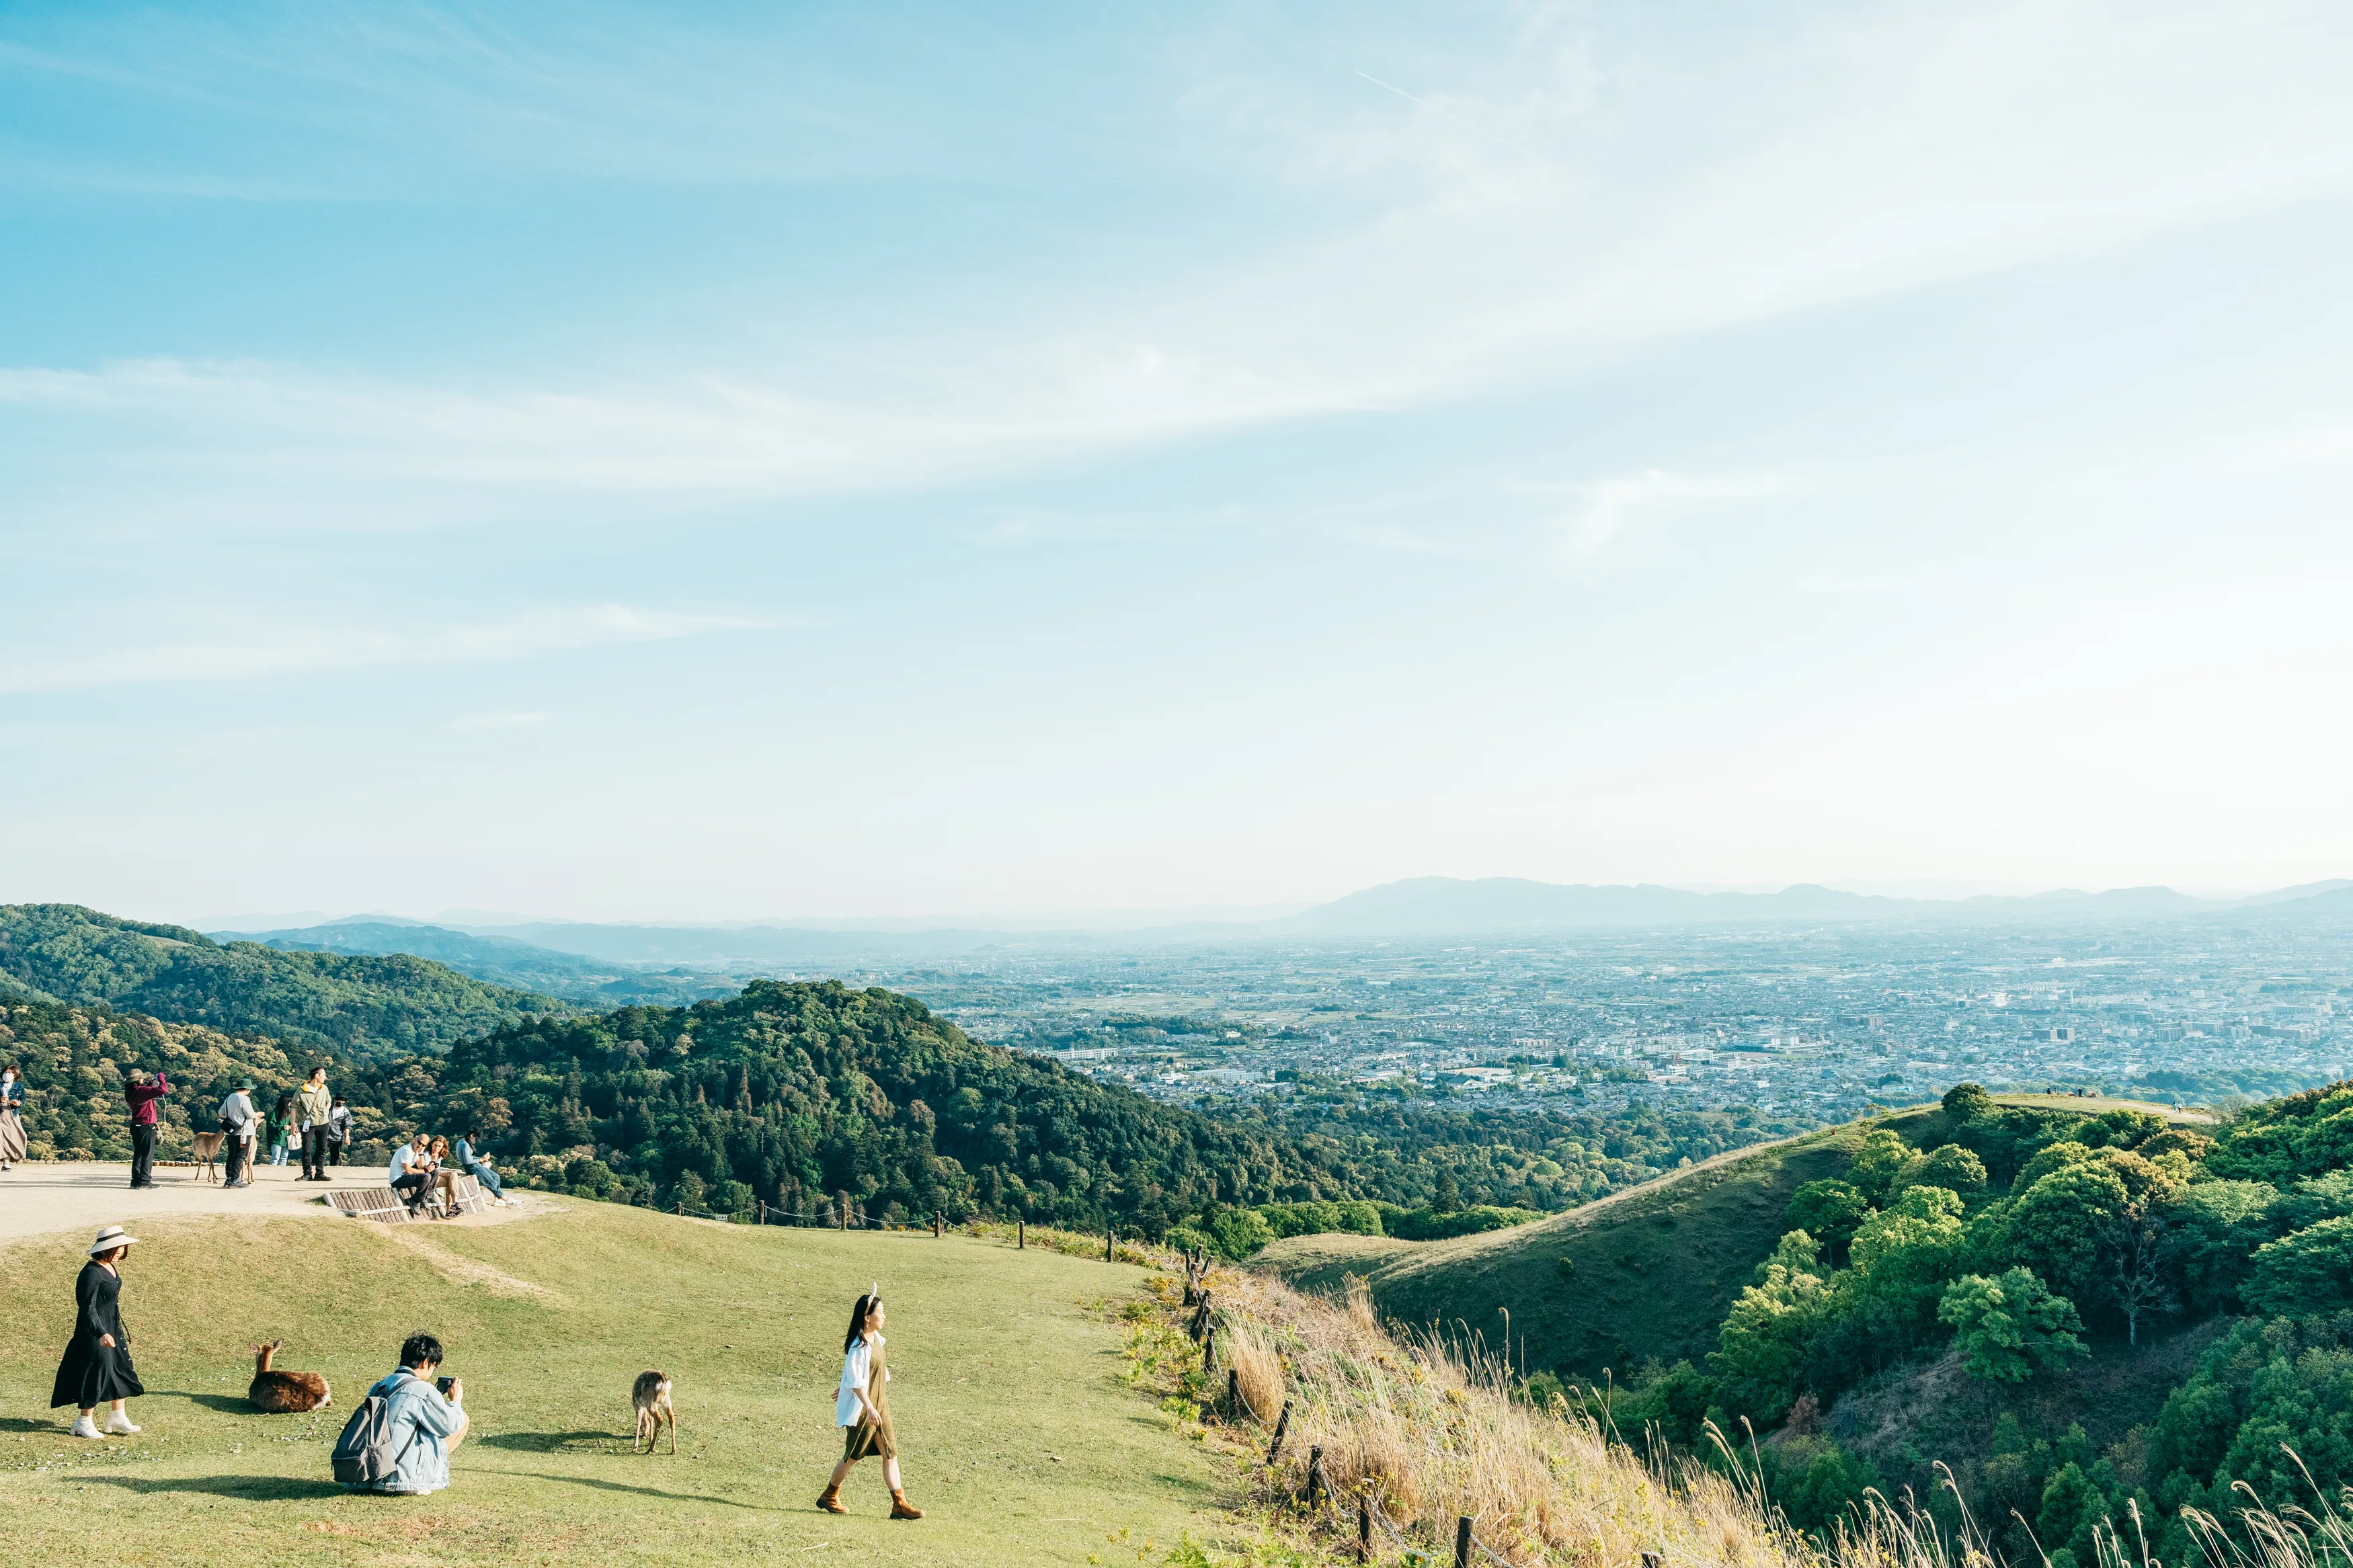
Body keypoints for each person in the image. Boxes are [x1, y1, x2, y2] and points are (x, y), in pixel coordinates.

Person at [816, 1286, 922, 1520]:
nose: (884, 1316)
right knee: (853, 1455)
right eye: (880, 1312)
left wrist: (848, 1387)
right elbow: (856, 1378)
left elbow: (861, 1374)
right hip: (866, 1411)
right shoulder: (859, 1344)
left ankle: (899, 1504)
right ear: (867, 1317)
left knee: (890, 1453)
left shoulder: (876, 1340)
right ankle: (829, 1496)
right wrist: (868, 1406)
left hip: (880, 1406)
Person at [345, 1331, 469, 1495]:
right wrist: (455, 1402)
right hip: (401, 1480)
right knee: (461, 1419)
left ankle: (380, 1479)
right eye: (434, 1366)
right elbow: (450, 1425)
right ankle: (416, 1479)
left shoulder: (379, 1386)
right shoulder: (423, 1390)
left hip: (367, 1471)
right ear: (426, 1363)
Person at [52, 1227, 147, 1438]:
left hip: (112, 1328)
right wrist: (101, 1332)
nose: (122, 1250)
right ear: (106, 1248)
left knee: (120, 1368)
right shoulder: (91, 1273)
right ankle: (82, 1422)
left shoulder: (110, 1266)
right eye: (118, 1247)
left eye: (123, 1246)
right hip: (94, 1332)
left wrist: (112, 1329)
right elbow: (87, 1308)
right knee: (97, 1374)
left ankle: (118, 1417)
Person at [124, 1069, 169, 1190]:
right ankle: (145, 1181)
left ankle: (135, 1181)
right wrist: (161, 1078)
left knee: (138, 1153)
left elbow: (145, 1093)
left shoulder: (129, 1092)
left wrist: (150, 1084)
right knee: (148, 1154)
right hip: (146, 1126)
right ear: (139, 1080)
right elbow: (163, 1090)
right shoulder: (142, 1091)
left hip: (135, 1125)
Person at [452, 1129, 510, 1206]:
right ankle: (505, 1198)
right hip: (472, 1167)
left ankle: (498, 1200)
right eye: (476, 1139)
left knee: (495, 1176)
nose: (475, 1142)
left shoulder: (462, 1141)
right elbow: (467, 1161)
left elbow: (470, 1157)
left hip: (474, 1165)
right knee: (490, 1182)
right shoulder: (465, 1144)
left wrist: (482, 1158)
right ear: (472, 1136)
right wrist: (481, 1159)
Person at [218, 1081, 258, 1188]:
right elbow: (250, 1115)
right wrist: (259, 1114)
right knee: (240, 1156)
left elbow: (221, 1113)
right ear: (247, 1089)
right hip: (243, 1132)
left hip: (230, 1132)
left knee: (231, 1155)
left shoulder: (229, 1098)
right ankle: (235, 1180)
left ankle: (229, 1179)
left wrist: (233, 1115)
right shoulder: (244, 1099)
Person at [298, 1068, 333, 1181]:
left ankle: (320, 1173)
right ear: (317, 1076)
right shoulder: (302, 1090)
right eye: (324, 1075)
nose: (326, 1077)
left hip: (323, 1122)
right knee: (307, 1149)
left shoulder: (324, 1088)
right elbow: (294, 1107)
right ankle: (307, 1174)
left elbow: (329, 1101)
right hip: (307, 1123)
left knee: (322, 1148)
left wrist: (326, 1112)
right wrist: (293, 1124)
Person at [389, 1133, 435, 1214]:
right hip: (397, 1179)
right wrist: (425, 1171)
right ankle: (415, 1201)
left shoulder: (416, 1151)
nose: (420, 1146)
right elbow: (408, 1170)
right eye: (419, 1143)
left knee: (435, 1172)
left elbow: (421, 1167)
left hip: (405, 1177)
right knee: (426, 1176)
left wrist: (421, 1153)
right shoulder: (407, 1150)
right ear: (415, 1140)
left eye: (423, 1145)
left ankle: (424, 1198)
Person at [1, 1063, 26, 1172]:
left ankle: (8, 1162)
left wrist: (18, 1103)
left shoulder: (19, 1086)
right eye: (5, 1073)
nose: (7, 1075)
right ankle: (6, 1163)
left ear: (15, 1075)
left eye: (10, 1073)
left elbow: (23, 1100)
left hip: (13, 1113)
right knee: (1, 1138)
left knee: (17, 1136)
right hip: (1, 1112)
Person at [266, 1093, 296, 1168]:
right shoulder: (274, 1113)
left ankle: (281, 1172)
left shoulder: (289, 1112)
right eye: (289, 1102)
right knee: (275, 1158)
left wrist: (293, 1125)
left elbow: (290, 1122)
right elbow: (270, 1126)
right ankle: (272, 1173)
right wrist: (282, 1127)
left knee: (284, 1157)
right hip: (277, 1139)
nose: (290, 1104)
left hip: (286, 1139)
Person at [325, 1096, 352, 1167]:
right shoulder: (328, 1109)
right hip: (325, 1134)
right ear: (335, 1100)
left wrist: (347, 1137)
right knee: (320, 1152)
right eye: (339, 1100)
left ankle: (335, 1170)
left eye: (343, 1100)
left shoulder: (346, 1112)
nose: (341, 1102)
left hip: (338, 1136)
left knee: (336, 1155)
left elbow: (347, 1125)